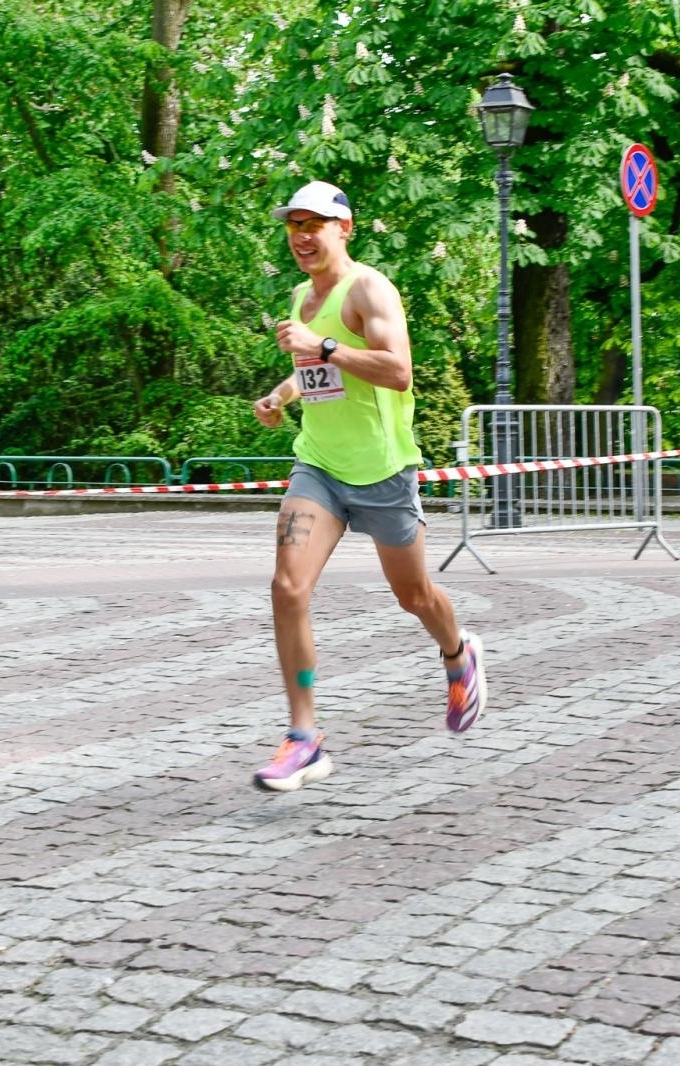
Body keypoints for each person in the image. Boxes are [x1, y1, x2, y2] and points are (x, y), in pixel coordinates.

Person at [250, 179, 486, 792]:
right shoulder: (301, 296)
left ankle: (457, 652)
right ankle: (304, 738)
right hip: (319, 467)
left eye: (314, 224)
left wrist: (324, 344)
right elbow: (315, 371)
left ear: (345, 228)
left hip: (382, 472)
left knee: (414, 597)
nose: (302, 236)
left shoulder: (369, 288)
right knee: (287, 587)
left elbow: (399, 371)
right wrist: (281, 394)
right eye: (294, 225)